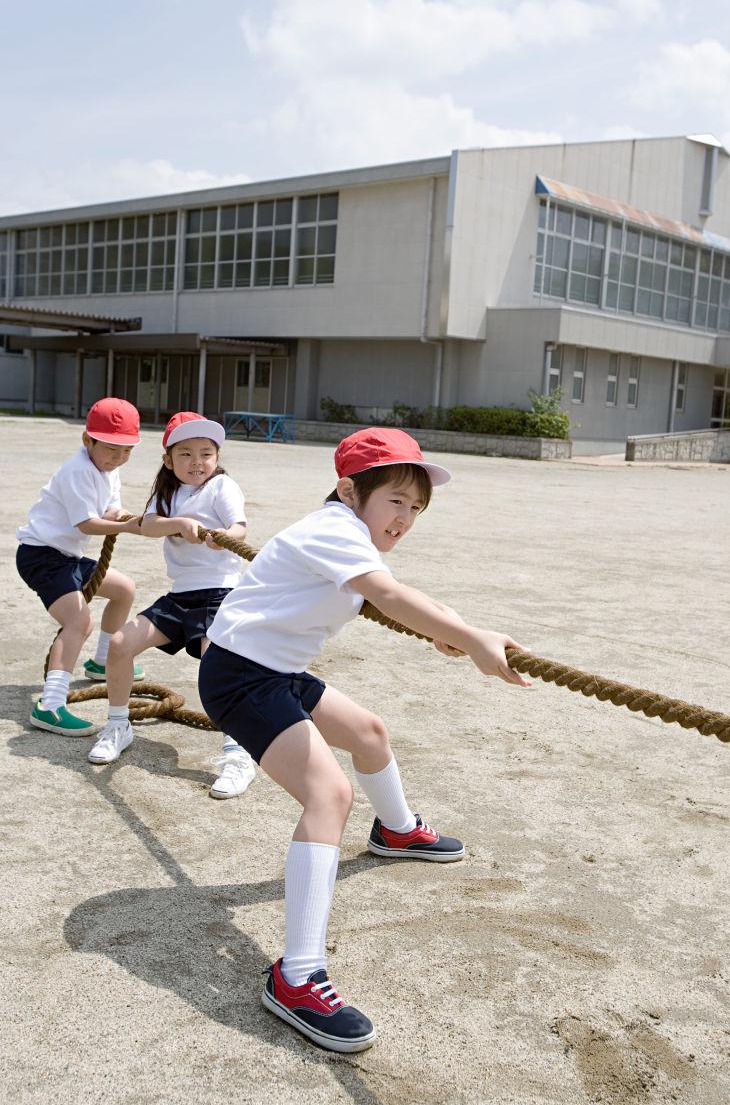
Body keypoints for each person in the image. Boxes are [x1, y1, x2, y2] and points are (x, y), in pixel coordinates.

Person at [198, 426, 531, 1053]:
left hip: (277, 672)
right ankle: (295, 977)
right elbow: (387, 593)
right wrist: (474, 640)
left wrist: (457, 629)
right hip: (242, 676)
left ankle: (397, 831)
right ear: (351, 490)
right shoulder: (331, 528)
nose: (405, 518)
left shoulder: (349, 533)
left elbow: (395, 591)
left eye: (416, 507)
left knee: (370, 733)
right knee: (329, 797)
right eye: (395, 502)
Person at [88, 412, 255, 800]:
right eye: (186, 454)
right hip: (181, 596)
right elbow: (147, 525)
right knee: (119, 645)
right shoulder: (168, 492)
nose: (197, 461)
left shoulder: (222, 486)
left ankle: (238, 753)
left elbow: (239, 528)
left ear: (217, 457)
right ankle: (118, 726)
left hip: (220, 594)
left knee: (220, 669)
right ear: (168, 459)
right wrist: (179, 523)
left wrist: (223, 536)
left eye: (206, 453)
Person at [16, 397, 143, 737]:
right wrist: (126, 527)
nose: (118, 458)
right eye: (112, 449)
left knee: (124, 589)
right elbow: (87, 523)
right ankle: (50, 705)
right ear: (87, 440)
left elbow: (110, 512)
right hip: (41, 555)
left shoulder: (108, 470)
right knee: (78, 620)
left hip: (67, 557)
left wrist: (126, 518)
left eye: (126, 451)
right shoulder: (77, 471)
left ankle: (101, 661)